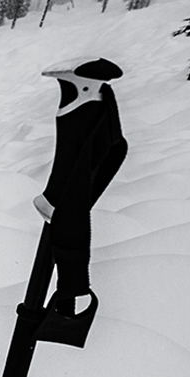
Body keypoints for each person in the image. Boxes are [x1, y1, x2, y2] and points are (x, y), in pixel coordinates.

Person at [33, 57, 126, 347]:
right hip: (60, 205)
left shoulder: (95, 116)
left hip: (60, 207)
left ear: (87, 90)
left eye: (72, 89)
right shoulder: (102, 122)